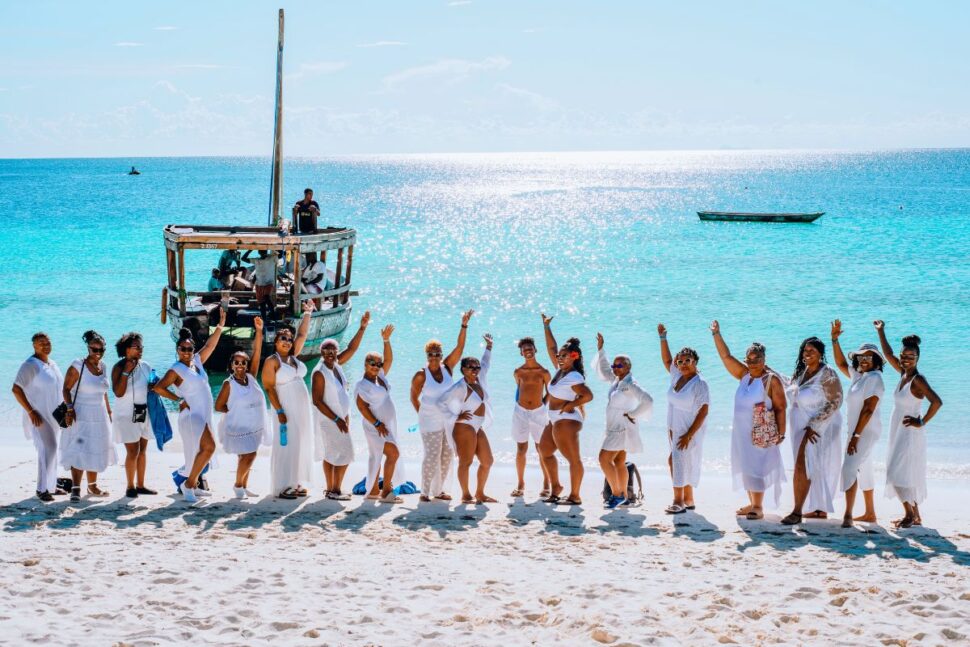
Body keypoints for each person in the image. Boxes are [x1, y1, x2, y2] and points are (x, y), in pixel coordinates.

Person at [711, 320, 787, 520]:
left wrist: (781, 433)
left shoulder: (771, 380)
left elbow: (781, 407)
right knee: (745, 464)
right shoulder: (744, 376)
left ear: (764, 359)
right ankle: (752, 503)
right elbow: (725, 356)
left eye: (757, 358)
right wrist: (717, 334)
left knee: (758, 465)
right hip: (741, 431)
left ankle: (759, 506)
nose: (753, 362)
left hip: (761, 431)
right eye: (750, 359)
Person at [152, 308, 226, 503]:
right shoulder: (176, 369)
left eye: (189, 349)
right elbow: (159, 388)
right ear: (177, 350)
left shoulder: (197, 362)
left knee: (201, 451)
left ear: (193, 350)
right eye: (182, 349)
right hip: (191, 415)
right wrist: (178, 400)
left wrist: (220, 326)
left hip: (203, 414)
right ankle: (189, 484)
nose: (186, 352)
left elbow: (210, 345)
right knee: (208, 448)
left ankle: (191, 482)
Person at [875, 322, 943, 528]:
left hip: (910, 433)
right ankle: (916, 516)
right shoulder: (903, 374)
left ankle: (908, 515)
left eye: (910, 357)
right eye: (903, 356)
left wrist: (921, 421)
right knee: (905, 472)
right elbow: (887, 354)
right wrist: (881, 331)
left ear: (917, 358)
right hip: (898, 429)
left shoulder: (918, 379)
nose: (905, 359)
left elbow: (937, 402)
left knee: (896, 473)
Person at [410, 310, 473, 503]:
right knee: (431, 455)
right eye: (431, 354)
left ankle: (439, 491)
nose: (435, 357)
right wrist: (423, 413)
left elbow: (460, 348)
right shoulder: (421, 374)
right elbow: (413, 397)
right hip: (429, 420)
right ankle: (424, 492)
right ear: (426, 355)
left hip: (447, 419)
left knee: (446, 455)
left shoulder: (447, 368)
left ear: (441, 355)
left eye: (438, 354)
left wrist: (463, 325)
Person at [781, 337, 844, 526]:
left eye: (812, 351)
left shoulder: (827, 373)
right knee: (812, 465)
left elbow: (836, 401)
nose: (807, 354)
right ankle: (818, 509)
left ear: (820, 354)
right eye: (805, 351)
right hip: (800, 425)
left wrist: (815, 424)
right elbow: (791, 387)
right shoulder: (802, 372)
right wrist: (770, 372)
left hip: (819, 427)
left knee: (803, 465)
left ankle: (797, 511)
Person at [311, 311, 370, 500]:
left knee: (332, 453)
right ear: (321, 353)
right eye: (326, 350)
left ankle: (331, 489)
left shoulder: (336, 365)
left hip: (339, 419)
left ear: (336, 352)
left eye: (333, 350)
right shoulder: (320, 372)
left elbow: (352, 349)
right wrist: (337, 419)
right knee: (344, 453)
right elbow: (317, 401)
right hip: (329, 420)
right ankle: (335, 490)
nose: (330, 353)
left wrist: (362, 328)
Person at [830, 320, 884, 527]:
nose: (864, 360)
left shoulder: (875, 379)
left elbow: (868, 409)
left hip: (865, 432)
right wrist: (835, 340)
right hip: (856, 431)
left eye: (868, 357)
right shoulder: (860, 376)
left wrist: (856, 436)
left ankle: (848, 515)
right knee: (866, 469)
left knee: (849, 468)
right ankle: (870, 513)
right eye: (861, 357)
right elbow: (842, 364)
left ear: (877, 360)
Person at [262, 301, 317, 499]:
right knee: (286, 444)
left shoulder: (293, 357)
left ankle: (297, 481)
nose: (287, 341)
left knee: (301, 441)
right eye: (283, 339)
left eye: (289, 339)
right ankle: (283, 485)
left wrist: (308, 313)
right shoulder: (272, 361)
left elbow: (302, 335)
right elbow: (269, 387)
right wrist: (279, 411)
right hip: (285, 407)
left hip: (301, 407)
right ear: (276, 342)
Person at [538, 314, 594, 506]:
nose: (559, 358)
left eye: (564, 356)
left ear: (573, 357)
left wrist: (570, 405)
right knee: (545, 450)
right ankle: (556, 488)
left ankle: (575, 495)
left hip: (567, 420)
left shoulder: (574, 376)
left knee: (573, 459)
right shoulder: (561, 369)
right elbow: (551, 348)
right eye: (559, 356)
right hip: (555, 417)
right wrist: (546, 327)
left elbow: (587, 395)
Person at [594, 333, 653, 509]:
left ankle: (617, 494)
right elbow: (604, 370)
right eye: (615, 365)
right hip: (614, 426)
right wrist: (601, 350)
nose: (615, 368)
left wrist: (634, 414)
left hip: (621, 428)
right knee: (619, 462)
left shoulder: (630, 383)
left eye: (619, 365)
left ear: (628, 367)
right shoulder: (617, 380)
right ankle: (625, 496)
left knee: (604, 459)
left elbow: (648, 400)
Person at [658, 324, 710, 514]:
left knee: (678, 462)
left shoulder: (700, 383)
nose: (683, 364)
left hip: (689, 430)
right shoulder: (677, 376)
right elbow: (666, 360)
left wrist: (689, 434)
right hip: (675, 428)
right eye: (680, 361)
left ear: (695, 361)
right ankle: (688, 499)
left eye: (688, 360)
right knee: (677, 461)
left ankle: (678, 501)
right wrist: (663, 338)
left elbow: (704, 411)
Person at [437, 335, 496, 504]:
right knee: (466, 461)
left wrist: (489, 346)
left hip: (477, 425)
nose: (475, 370)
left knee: (487, 461)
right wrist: (456, 416)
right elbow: (440, 403)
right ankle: (465, 494)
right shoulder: (459, 387)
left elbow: (485, 363)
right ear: (462, 369)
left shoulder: (480, 379)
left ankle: (480, 493)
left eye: (476, 367)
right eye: (470, 367)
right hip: (464, 426)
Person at [60, 331, 116, 502]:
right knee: (79, 449)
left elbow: (104, 392)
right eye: (94, 349)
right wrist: (69, 408)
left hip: (99, 413)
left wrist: (109, 410)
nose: (97, 353)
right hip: (81, 413)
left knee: (96, 448)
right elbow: (66, 389)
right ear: (88, 348)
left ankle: (92, 485)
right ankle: (76, 488)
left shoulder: (103, 366)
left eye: (101, 350)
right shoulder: (78, 366)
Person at [214, 317, 267, 499]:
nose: (240, 365)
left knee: (244, 457)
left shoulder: (251, 378)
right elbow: (218, 406)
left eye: (243, 362)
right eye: (236, 362)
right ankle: (237, 485)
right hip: (238, 425)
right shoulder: (228, 384)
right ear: (231, 365)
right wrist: (236, 410)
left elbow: (257, 353)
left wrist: (259, 331)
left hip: (253, 425)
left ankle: (244, 485)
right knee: (250, 455)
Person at [11, 332, 66, 502]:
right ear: (34, 345)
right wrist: (30, 411)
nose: (45, 345)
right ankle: (41, 489)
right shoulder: (30, 365)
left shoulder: (52, 364)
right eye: (41, 343)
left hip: (55, 415)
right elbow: (16, 389)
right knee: (48, 448)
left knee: (53, 449)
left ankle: (51, 485)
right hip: (39, 415)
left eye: (48, 342)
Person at [354, 325, 403, 503]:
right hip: (374, 426)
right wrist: (376, 423)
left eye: (378, 364)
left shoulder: (380, 377)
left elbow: (389, 360)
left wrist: (386, 340)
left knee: (376, 456)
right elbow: (361, 407)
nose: (376, 366)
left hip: (384, 425)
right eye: (372, 364)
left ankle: (374, 489)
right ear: (365, 365)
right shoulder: (362, 385)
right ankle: (386, 491)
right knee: (393, 453)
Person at [111, 332, 157, 499]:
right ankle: (130, 487)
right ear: (126, 349)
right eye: (136, 347)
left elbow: (149, 387)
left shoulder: (145, 366)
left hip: (142, 411)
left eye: (141, 347)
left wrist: (153, 386)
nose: (140, 350)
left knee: (142, 451)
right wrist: (126, 372)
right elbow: (118, 392)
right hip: (125, 414)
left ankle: (140, 485)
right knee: (133, 451)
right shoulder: (118, 367)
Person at [510, 336, 552, 498]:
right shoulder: (518, 372)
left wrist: (542, 404)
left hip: (538, 412)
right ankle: (520, 484)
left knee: (541, 448)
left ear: (535, 350)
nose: (528, 351)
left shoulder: (544, 372)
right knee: (521, 449)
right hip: (520, 412)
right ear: (521, 353)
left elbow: (550, 391)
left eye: (530, 348)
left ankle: (546, 482)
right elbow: (519, 389)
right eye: (524, 349)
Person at [242, 249, 279, 321]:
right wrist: (250, 250)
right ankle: (264, 319)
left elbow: (279, 255)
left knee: (266, 297)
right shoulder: (256, 260)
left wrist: (273, 249)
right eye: (261, 250)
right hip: (259, 283)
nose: (262, 252)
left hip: (269, 282)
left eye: (264, 250)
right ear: (259, 252)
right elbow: (243, 258)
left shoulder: (272, 258)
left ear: (266, 251)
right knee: (262, 303)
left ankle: (273, 315)